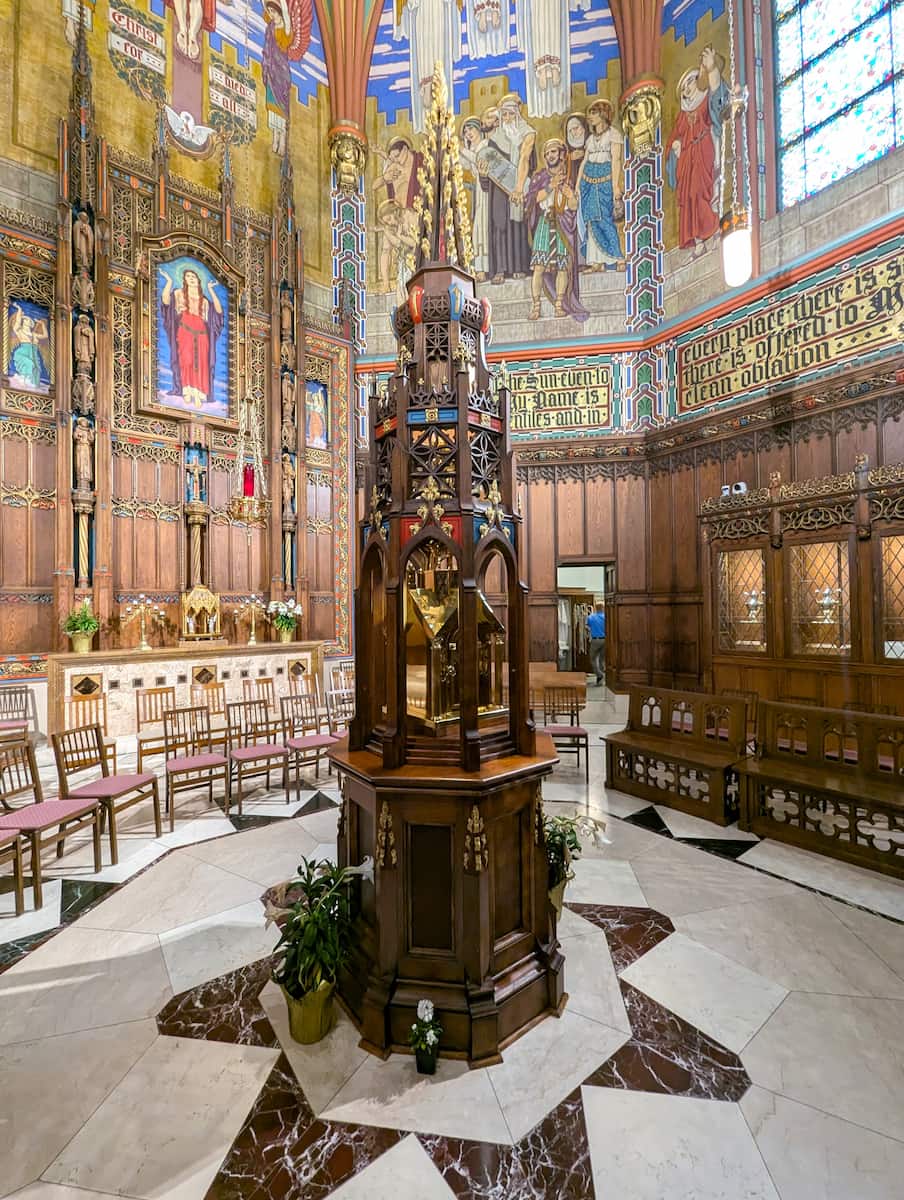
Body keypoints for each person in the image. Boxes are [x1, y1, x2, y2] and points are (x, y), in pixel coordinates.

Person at [664, 45, 729, 257]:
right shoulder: (683, 114)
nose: (686, 88)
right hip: (688, 161)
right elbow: (675, 136)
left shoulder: (706, 97)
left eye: (689, 82)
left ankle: (712, 231)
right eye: (683, 87)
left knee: (704, 193)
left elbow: (719, 106)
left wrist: (712, 71)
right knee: (690, 198)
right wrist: (674, 146)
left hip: (705, 150)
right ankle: (698, 242)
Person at [525, 138, 588, 322]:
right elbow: (532, 200)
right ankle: (536, 306)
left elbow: (574, 207)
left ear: (561, 154)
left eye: (553, 152)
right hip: (545, 223)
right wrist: (550, 185)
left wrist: (570, 196)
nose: (549, 156)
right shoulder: (540, 177)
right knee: (539, 267)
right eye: (546, 153)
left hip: (563, 225)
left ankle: (560, 303)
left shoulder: (570, 177)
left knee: (562, 266)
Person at [160, 266, 224, 409]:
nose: (191, 279)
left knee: (202, 363)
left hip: (202, 335)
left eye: (193, 276)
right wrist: (169, 281)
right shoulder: (178, 294)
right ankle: (186, 390)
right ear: (184, 280)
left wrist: (212, 290)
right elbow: (165, 302)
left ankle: (200, 394)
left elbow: (218, 312)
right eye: (188, 276)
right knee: (186, 360)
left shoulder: (205, 301)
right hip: (185, 331)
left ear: (198, 280)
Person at [576, 99, 623, 270]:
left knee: (605, 220)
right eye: (589, 113)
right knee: (591, 222)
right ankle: (597, 262)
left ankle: (618, 257)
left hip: (604, 183)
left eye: (593, 113)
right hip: (588, 184)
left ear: (603, 114)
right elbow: (584, 162)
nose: (590, 117)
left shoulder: (613, 134)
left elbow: (616, 161)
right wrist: (577, 184)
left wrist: (615, 186)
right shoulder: (590, 140)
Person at [586, 601, 606, 686]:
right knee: (602, 660)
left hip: (595, 640)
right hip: (606, 640)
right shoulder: (606, 617)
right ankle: (601, 678)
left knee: (593, 659)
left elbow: (587, 627)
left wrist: (591, 630)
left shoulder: (591, 617)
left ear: (595, 608)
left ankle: (600, 675)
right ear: (603, 608)